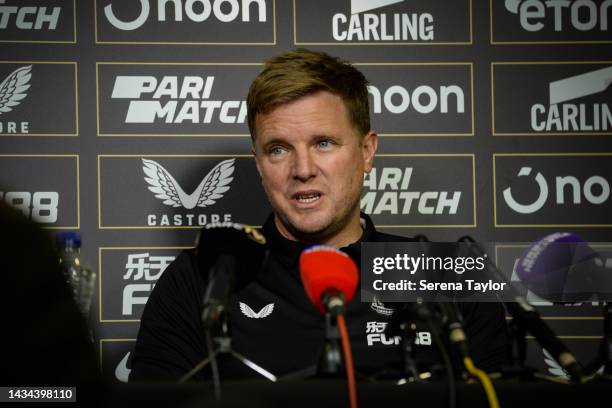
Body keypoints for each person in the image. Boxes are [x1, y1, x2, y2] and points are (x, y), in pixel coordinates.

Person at [130, 49, 508, 381]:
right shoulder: (202, 279)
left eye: (323, 143)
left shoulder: (448, 274)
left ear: (366, 151)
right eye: (278, 149)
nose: (303, 169)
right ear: (259, 164)